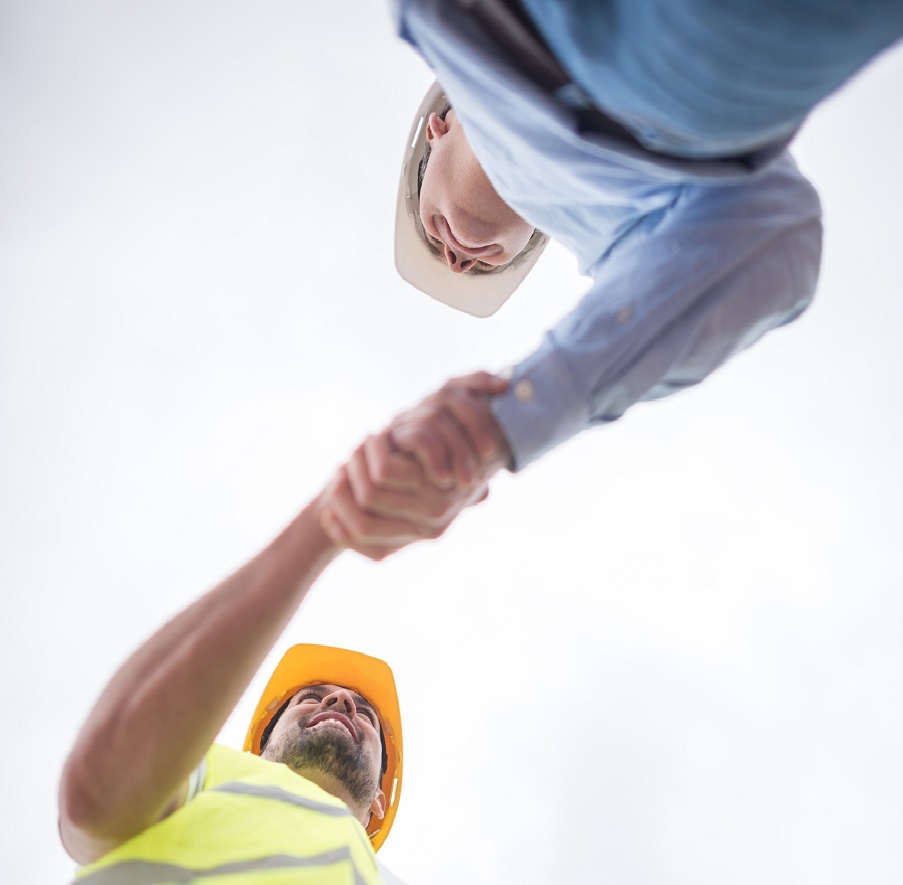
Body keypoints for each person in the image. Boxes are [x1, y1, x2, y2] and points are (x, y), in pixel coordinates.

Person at [383, 0, 903, 485]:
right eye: (477, 268)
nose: (454, 260)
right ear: (533, 234)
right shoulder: (626, 222)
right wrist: (499, 425)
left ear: (438, 128)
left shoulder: (435, 25)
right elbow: (777, 235)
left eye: (431, 232)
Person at [57, 385, 507, 884]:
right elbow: (95, 799)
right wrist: (328, 524)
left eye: (366, 716)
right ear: (260, 748)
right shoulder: (204, 779)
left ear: (379, 802)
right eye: (310, 697)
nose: (341, 701)